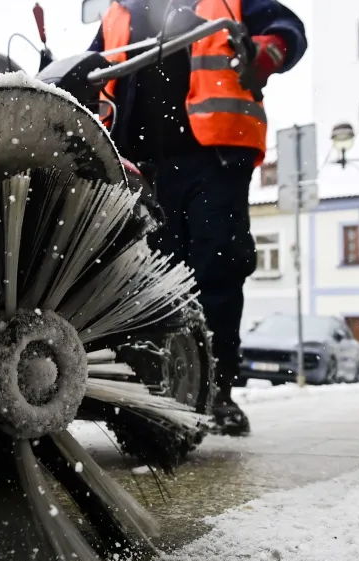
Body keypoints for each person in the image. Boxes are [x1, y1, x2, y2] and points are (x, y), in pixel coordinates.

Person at [88, 0, 307, 435]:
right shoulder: (119, 12)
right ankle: (160, 386)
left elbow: (286, 28)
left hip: (216, 157)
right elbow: (92, 66)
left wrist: (267, 51)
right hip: (142, 166)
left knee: (216, 268)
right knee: (148, 279)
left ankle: (217, 390)